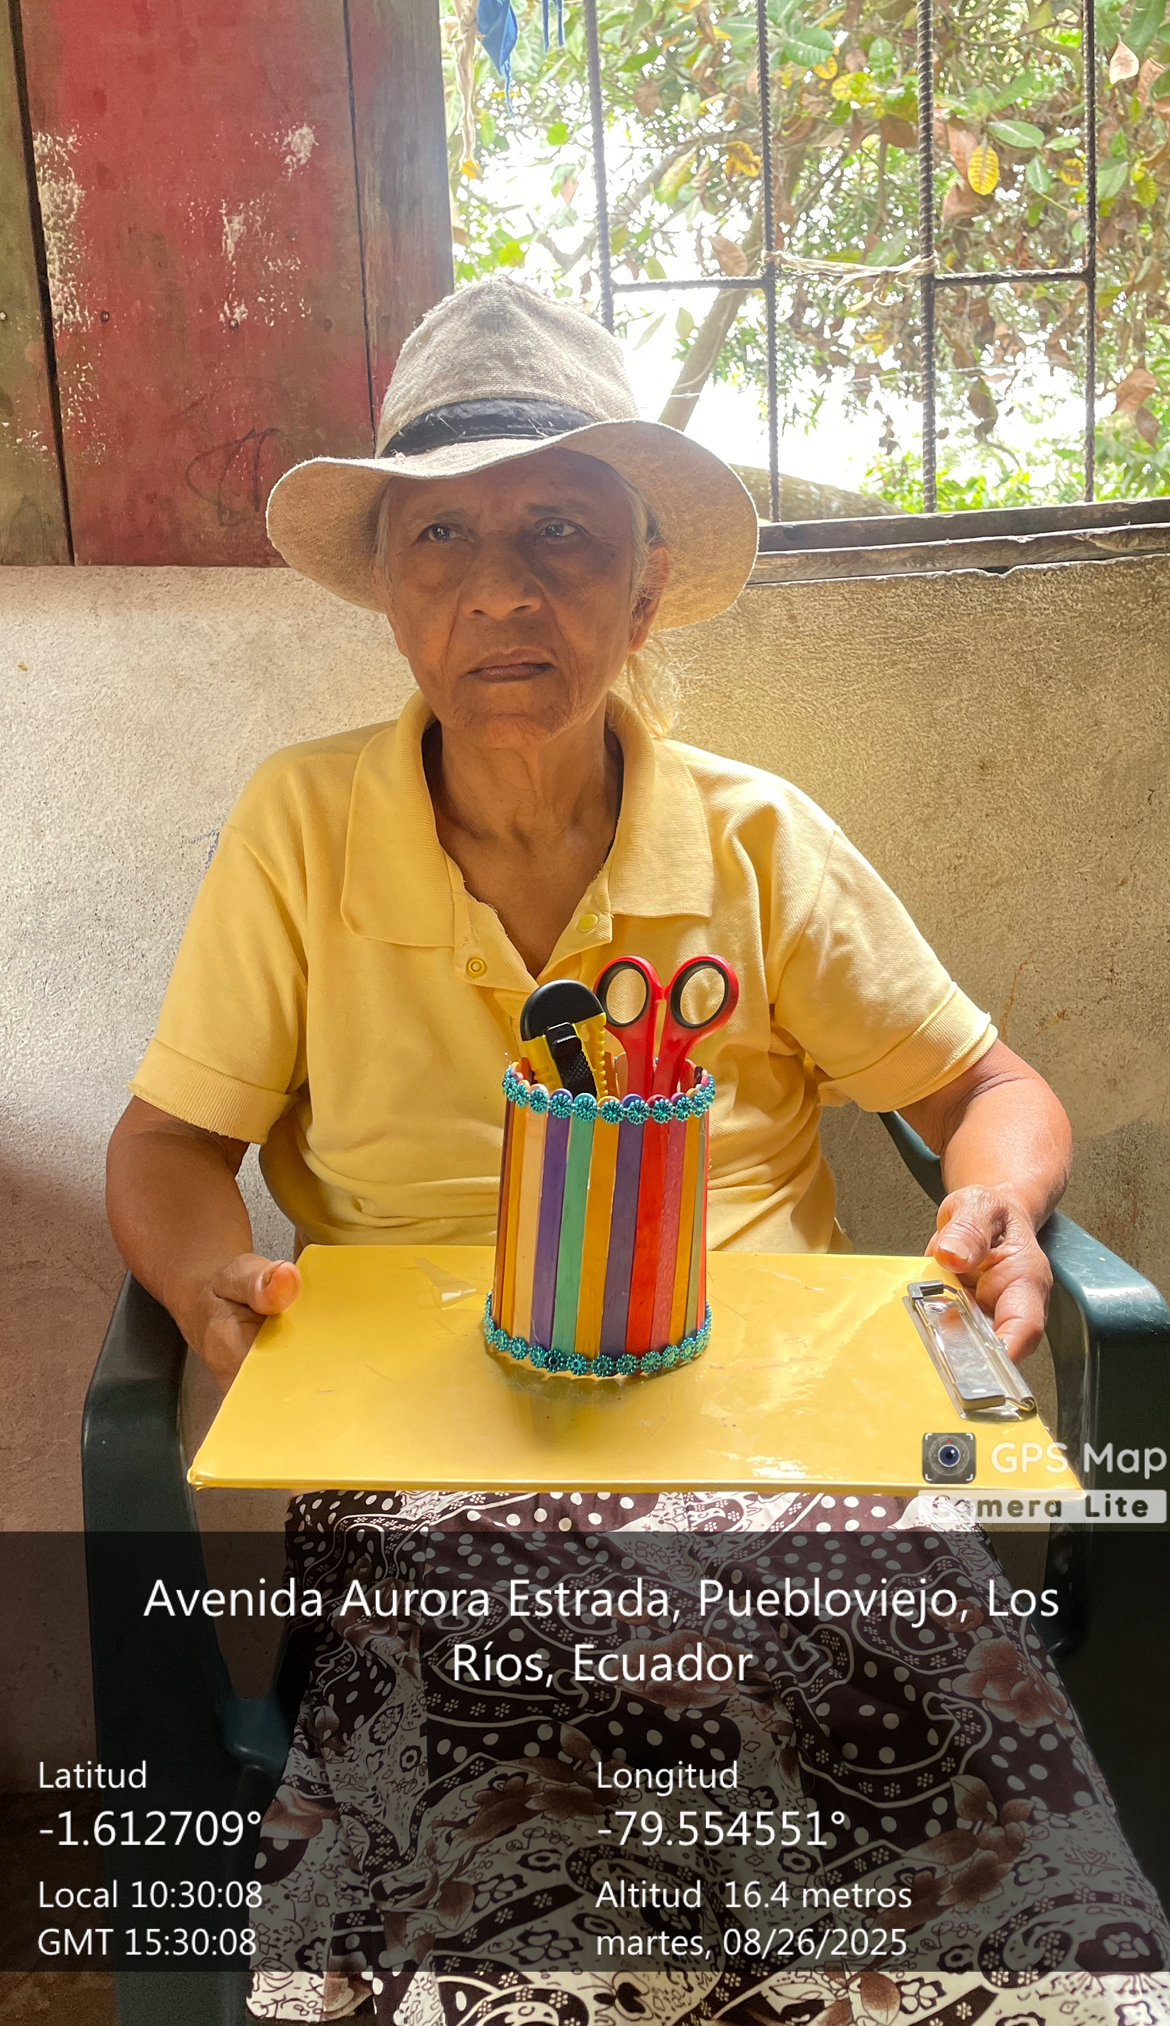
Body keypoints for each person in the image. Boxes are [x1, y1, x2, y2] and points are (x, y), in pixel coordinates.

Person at [105, 282, 1166, 2024]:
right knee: (523, 1806)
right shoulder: (302, 825)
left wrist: (1000, 1192)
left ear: (643, 584)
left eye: (559, 532)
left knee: (962, 1807)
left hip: (785, 1431)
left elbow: (989, 1084)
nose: (500, 589)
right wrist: (205, 1270)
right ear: (389, 588)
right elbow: (169, 1141)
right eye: (442, 535)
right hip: (425, 1448)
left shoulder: (755, 838)